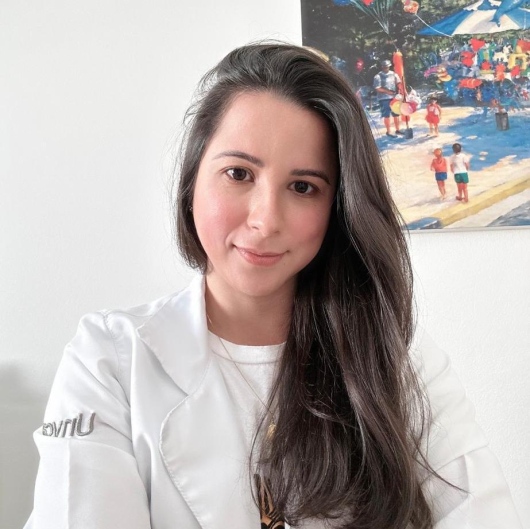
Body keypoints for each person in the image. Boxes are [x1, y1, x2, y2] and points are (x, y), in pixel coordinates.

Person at [24, 44, 522, 529]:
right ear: (192, 179)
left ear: (338, 207)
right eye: (238, 174)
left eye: (303, 187)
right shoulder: (111, 360)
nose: (265, 220)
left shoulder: (398, 356)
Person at [373, 59, 404, 138]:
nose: (386, 68)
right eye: (384, 67)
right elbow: (377, 88)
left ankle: (397, 130)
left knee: (396, 114)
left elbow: (398, 83)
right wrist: (388, 92)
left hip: (394, 97)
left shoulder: (394, 74)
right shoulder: (378, 76)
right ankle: (388, 131)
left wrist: (400, 90)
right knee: (386, 115)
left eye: (387, 66)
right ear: (382, 67)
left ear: (389, 66)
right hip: (383, 98)